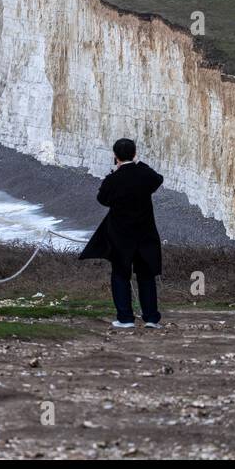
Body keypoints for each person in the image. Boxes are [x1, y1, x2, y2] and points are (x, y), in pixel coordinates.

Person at [79, 138, 163, 329]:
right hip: (145, 233)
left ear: (115, 156)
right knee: (146, 275)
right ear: (134, 154)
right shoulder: (144, 175)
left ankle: (125, 318)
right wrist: (138, 163)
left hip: (120, 235)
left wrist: (116, 172)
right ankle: (150, 318)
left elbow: (103, 199)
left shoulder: (113, 179)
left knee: (120, 275)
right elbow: (157, 179)